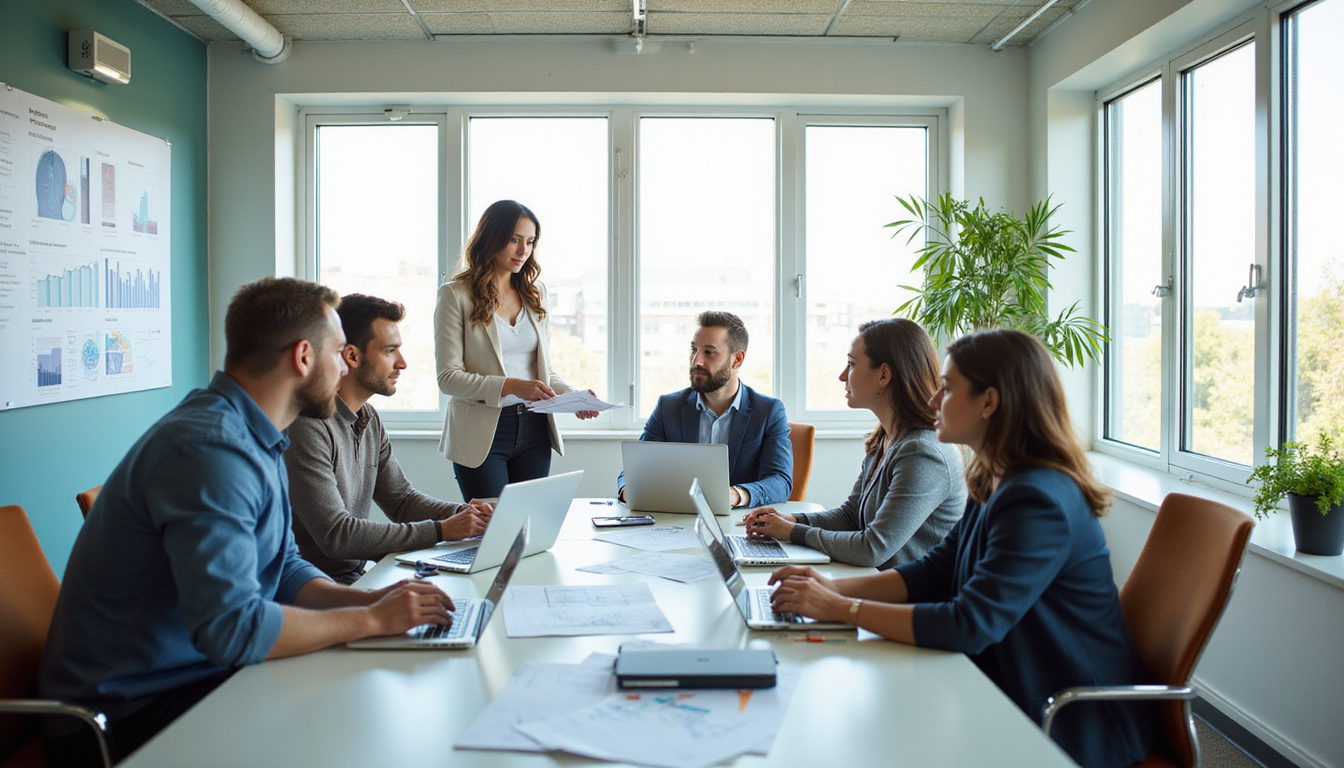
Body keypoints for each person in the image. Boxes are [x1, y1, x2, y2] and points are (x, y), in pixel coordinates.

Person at [39, 278, 456, 765]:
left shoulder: (255, 433)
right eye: (340, 351)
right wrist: (368, 620)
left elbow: (282, 568)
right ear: (304, 357)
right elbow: (232, 628)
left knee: (364, 713)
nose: (346, 364)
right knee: (351, 734)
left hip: (191, 678)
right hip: (124, 716)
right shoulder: (210, 449)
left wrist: (365, 599)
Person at [766, 329, 1154, 768]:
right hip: (1005, 679)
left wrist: (842, 610)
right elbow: (936, 571)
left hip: (1068, 716)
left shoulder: (1038, 499)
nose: (934, 400)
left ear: (989, 402)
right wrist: (833, 589)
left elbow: (970, 623)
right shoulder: (996, 478)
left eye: (947, 389)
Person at [286, 293, 494, 583]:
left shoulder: (368, 418)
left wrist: (466, 514)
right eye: (390, 351)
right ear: (352, 356)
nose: (402, 363)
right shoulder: (307, 426)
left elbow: (402, 502)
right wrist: (443, 529)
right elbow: (337, 535)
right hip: (313, 589)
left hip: (356, 577)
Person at [740, 319, 965, 568]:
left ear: (884, 375)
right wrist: (789, 519)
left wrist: (794, 532)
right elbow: (851, 515)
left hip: (912, 600)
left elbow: (872, 548)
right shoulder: (885, 437)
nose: (842, 376)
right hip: (876, 584)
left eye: (852, 364)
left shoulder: (923, 452)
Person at [434, 200, 597, 500]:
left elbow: (543, 372)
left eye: (530, 242)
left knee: (529, 529)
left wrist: (571, 396)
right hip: (481, 433)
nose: (524, 251)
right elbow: (448, 378)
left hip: (535, 428)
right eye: (514, 240)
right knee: (491, 530)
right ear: (491, 237)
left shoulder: (536, 294)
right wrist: (512, 386)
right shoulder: (455, 295)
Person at [617, 310, 792, 508]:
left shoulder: (768, 412)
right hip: (675, 524)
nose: (696, 361)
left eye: (709, 352)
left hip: (739, 525)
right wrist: (628, 491)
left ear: (737, 360)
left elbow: (780, 482)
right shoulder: (668, 407)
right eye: (694, 350)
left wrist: (736, 494)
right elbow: (634, 472)